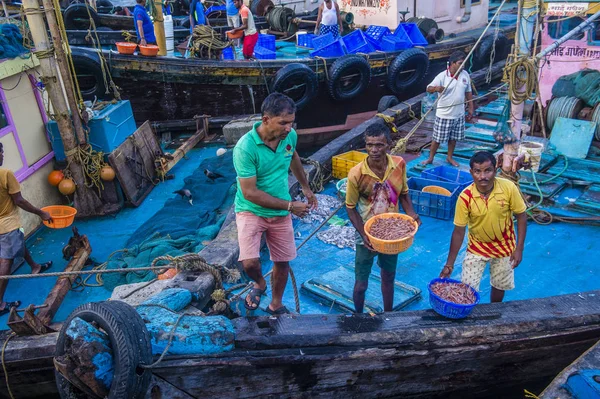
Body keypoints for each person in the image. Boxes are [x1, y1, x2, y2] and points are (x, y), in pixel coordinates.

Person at [233, 93, 317, 315]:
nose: (288, 128)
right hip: (251, 210)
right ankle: (259, 283)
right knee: (249, 263)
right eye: (283, 123)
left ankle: (276, 304)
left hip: (279, 212)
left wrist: (305, 187)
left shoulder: (289, 137)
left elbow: (294, 157)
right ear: (266, 119)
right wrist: (290, 206)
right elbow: (250, 193)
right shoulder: (245, 148)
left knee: (282, 261)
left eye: (291, 122)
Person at [346, 122, 421, 313]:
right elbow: (350, 207)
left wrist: (411, 213)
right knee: (361, 284)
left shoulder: (399, 164)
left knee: (388, 277)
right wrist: (364, 234)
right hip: (366, 233)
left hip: (391, 234)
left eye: (379, 145)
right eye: (369, 145)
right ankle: (358, 316)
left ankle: (389, 315)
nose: (374, 150)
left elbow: (403, 193)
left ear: (388, 144)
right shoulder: (356, 174)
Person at [439, 151, 527, 303]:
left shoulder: (509, 188)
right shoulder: (465, 197)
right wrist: (449, 264)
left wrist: (519, 248)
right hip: (477, 247)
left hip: (505, 246)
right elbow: (459, 232)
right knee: (467, 288)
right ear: (471, 172)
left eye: (488, 170)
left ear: (496, 169)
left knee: (499, 285)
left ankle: (495, 311)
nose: (482, 176)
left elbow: (521, 215)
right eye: (478, 171)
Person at [0, 143, 53, 315]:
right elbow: (19, 200)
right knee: (6, 260)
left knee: (19, 240)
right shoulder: (5, 174)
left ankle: (35, 266)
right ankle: (0, 304)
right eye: (2, 152)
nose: (2, 155)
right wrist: (41, 213)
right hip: (7, 223)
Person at [422, 50, 474, 167]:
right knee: (437, 139)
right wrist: (436, 88)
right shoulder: (442, 76)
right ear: (452, 63)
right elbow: (428, 88)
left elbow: (468, 92)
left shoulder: (465, 74)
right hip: (444, 114)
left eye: (464, 63)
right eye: (460, 63)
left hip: (459, 113)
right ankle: (431, 158)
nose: (463, 65)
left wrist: (471, 108)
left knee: (453, 138)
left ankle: (449, 157)